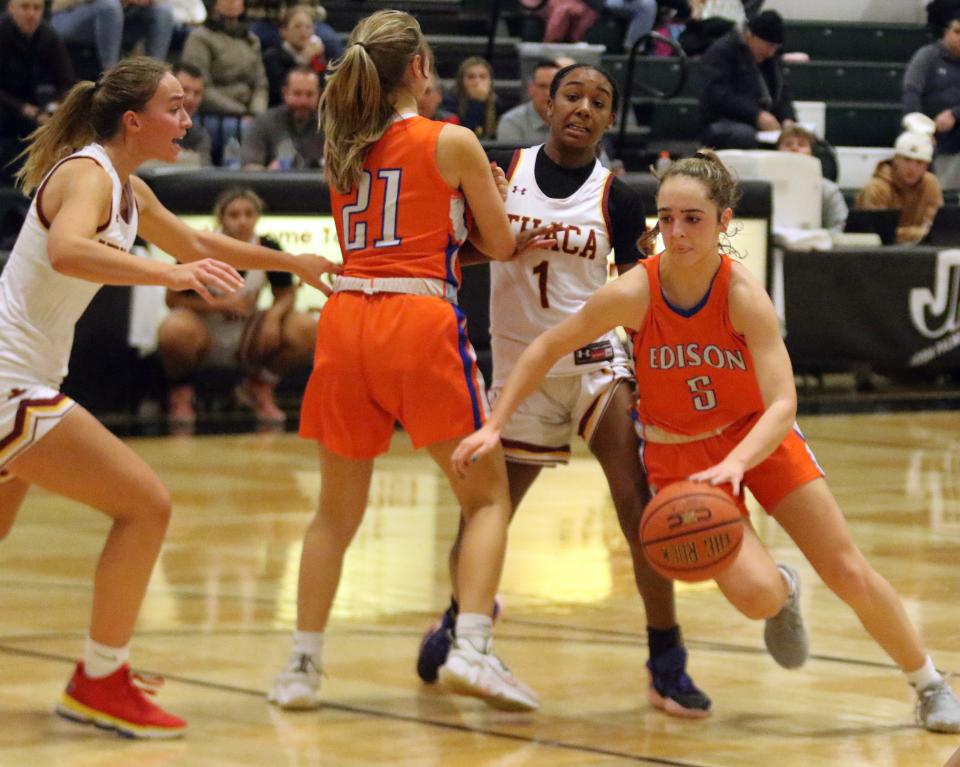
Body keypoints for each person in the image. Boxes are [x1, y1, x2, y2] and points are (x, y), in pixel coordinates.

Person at [451, 149, 960, 734]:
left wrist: (738, 464)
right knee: (755, 598)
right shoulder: (635, 291)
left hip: (756, 438)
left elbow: (783, 404)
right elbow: (545, 346)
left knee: (846, 568)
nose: (676, 231)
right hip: (678, 453)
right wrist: (495, 424)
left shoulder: (743, 296)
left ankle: (929, 684)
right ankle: (783, 592)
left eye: (692, 218)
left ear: (724, 221)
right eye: (665, 218)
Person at [0, 56, 338, 739]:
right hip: (9, 380)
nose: (188, 119)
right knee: (147, 505)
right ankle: (100, 677)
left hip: (27, 375)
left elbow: (196, 240)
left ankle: (101, 673)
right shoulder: (87, 174)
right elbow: (68, 250)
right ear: (133, 120)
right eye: (176, 108)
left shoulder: (126, 186)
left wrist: (289, 262)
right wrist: (167, 271)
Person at [416, 63, 712, 718]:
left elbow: (645, 294)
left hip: (595, 365)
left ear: (610, 118)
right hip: (520, 370)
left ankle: (666, 657)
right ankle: (458, 619)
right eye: (572, 95)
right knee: (482, 518)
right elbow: (450, 252)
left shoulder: (619, 195)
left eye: (599, 101)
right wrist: (486, 234)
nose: (583, 107)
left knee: (640, 507)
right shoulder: (500, 171)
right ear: (547, 103)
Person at [268, 9, 539, 713]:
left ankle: (301, 666)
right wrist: (495, 207)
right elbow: (503, 244)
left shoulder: (341, 147)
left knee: (334, 513)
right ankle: (473, 648)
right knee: (486, 498)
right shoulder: (451, 140)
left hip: (347, 317)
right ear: (418, 68)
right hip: (417, 319)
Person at [157, 187, 318, 425]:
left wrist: (274, 315)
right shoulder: (198, 246)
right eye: (234, 215)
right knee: (174, 330)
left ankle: (259, 386)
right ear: (221, 218)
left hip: (247, 333)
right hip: (203, 330)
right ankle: (181, 393)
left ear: (257, 217)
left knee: (304, 326)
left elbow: (286, 294)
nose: (242, 221)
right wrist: (220, 304)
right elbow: (173, 300)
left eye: (248, 214)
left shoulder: (267, 245)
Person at [0, 0, 74, 184]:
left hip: (34, 104)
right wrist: (24, 109)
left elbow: (66, 82)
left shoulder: (48, 35)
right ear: (11, 8)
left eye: (37, 8)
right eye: (25, 7)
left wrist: (55, 108)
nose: (32, 14)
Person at [699, 9, 796, 149]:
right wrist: (756, 115)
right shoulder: (722, 52)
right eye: (768, 46)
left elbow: (782, 93)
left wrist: (788, 119)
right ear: (751, 36)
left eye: (775, 47)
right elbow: (719, 96)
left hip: (764, 122)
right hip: (723, 122)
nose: (771, 52)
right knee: (745, 137)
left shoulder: (772, 58)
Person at [181, 0, 269, 119]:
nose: (232, 2)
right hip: (214, 113)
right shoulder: (200, 38)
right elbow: (201, 88)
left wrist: (256, 112)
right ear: (214, 4)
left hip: (250, 113)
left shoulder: (251, 40)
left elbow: (261, 84)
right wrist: (241, 113)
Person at [902, 9, 960, 190]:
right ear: (946, 32)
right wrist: (921, 129)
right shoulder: (927, 56)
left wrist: (954, 113)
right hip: (928, 130)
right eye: (957, 32)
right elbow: (911, 91)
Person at [855, 130, 943, 245]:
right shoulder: (876, 188)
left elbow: (936, 230)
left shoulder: (931, 184)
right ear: (896, 160)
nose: (912, 168)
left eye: (919, 163)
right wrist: (920, 233)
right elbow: (878, 235)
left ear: (926, 166)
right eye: (907, 160)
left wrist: (907, 233)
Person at [50, 0, 175, 71]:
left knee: (163, 12)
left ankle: (157, 74)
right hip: (66, 14)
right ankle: (111, 76)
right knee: (110, 7)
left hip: (118, 20)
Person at [240, 66, 323, 170]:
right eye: (297, 93)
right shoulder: (263, 122)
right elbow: (249, 166)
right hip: (272, 185)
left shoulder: (330, 127)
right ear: (285, 93)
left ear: (319, 95)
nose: (303, 101)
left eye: (309, 95)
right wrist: (269, 173)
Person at [776, 126, 847, 233]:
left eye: (801, 144)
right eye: (788, 144)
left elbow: (838, 227)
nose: (794, 148)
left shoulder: (828, 190)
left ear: (812, 152)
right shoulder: (765, 187)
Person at [262, 5, 326, 107]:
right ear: (284, 31)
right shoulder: (271, 57)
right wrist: (304, 59)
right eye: (297, 26)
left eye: (308, 27)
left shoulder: (318, 57)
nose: (303, 31)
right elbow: (279, 95)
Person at [495, 59, 560, 147]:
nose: (548, 93)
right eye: (542, 86)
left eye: (553, 86)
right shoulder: (511, 122)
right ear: (530, 89)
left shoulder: (570, 120)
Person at [445, 56, 501, 139]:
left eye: (483, 77)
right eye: (471, 77)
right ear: (461, 81)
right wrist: (477, 102)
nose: (477, 81)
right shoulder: (450, 102)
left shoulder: (498, 104)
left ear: (490, 81)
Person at [172, 61, 212, 166]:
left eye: (197, 93)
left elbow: (203, 175)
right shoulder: (148, 127)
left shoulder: (199, 136)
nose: (191, 99)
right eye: (184, 90)